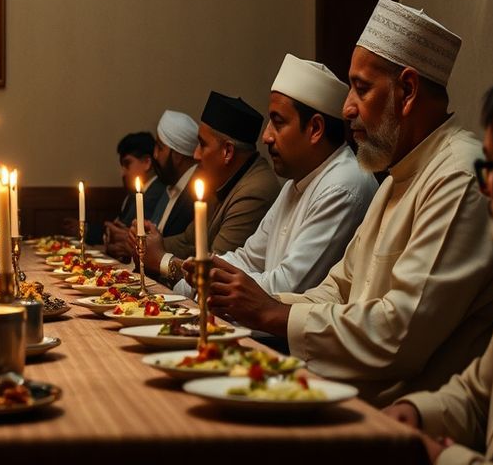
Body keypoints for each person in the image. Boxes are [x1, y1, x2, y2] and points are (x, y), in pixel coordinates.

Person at [208, 0, 493, 406]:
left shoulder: (458, 175)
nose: (347, 108)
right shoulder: (395, 176)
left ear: (407, 90)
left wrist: (271, 314)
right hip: (347, 396)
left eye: (361, 88)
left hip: (403, 422)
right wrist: (247, 301)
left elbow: (400, 334)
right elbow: (337, 289)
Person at [383, 58, 493, 465]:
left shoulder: (454, 173)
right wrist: (418, 412)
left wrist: (439, 457)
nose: (485, 189)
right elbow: (477, 392)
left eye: (490, 168)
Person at [163, 54, 377, 299]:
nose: (266, 137)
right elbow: (248, 258)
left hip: (283, 336)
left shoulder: (343, 185)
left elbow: (286, 288)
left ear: (315, 129)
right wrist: (196, 274)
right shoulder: (294, 184)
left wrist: (206, 280)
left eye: (278, 122)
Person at [141, 92, 281, 279]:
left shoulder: (255, 191)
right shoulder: (220, 178)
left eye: (202, 145)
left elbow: (216, 271)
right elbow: (188, 241)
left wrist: (162, 260)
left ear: (228, 151)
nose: (196, 155)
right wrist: (146, 243)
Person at [99, 132, 166, 255]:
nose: (123, 173)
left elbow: (125, 232)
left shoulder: (155, 193)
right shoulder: (134, 193)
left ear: (147, 162)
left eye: (127, 164)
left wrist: (116, 235)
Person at [149, 109, 200, 239]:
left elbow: (187, 247)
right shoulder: (170, 186)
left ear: (177, 155)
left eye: (160, 148)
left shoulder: (195, 196)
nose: (155, 155)